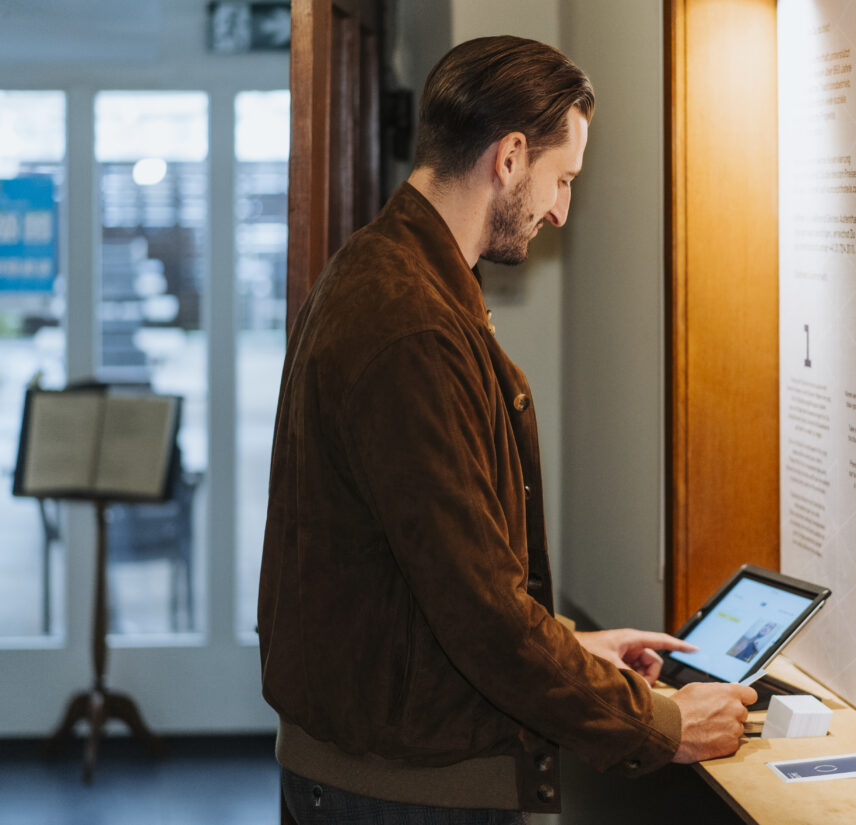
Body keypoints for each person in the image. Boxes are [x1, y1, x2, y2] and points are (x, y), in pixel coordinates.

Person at [258, 34, 756, 825]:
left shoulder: (388, 274)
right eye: (562, 180)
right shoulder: (412, 324)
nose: (561, 209)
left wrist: (570, 645)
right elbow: (479, 609)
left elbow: (425, 572)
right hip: (403, 795)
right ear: (511, 156)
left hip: (379, 776)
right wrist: (662, 723)